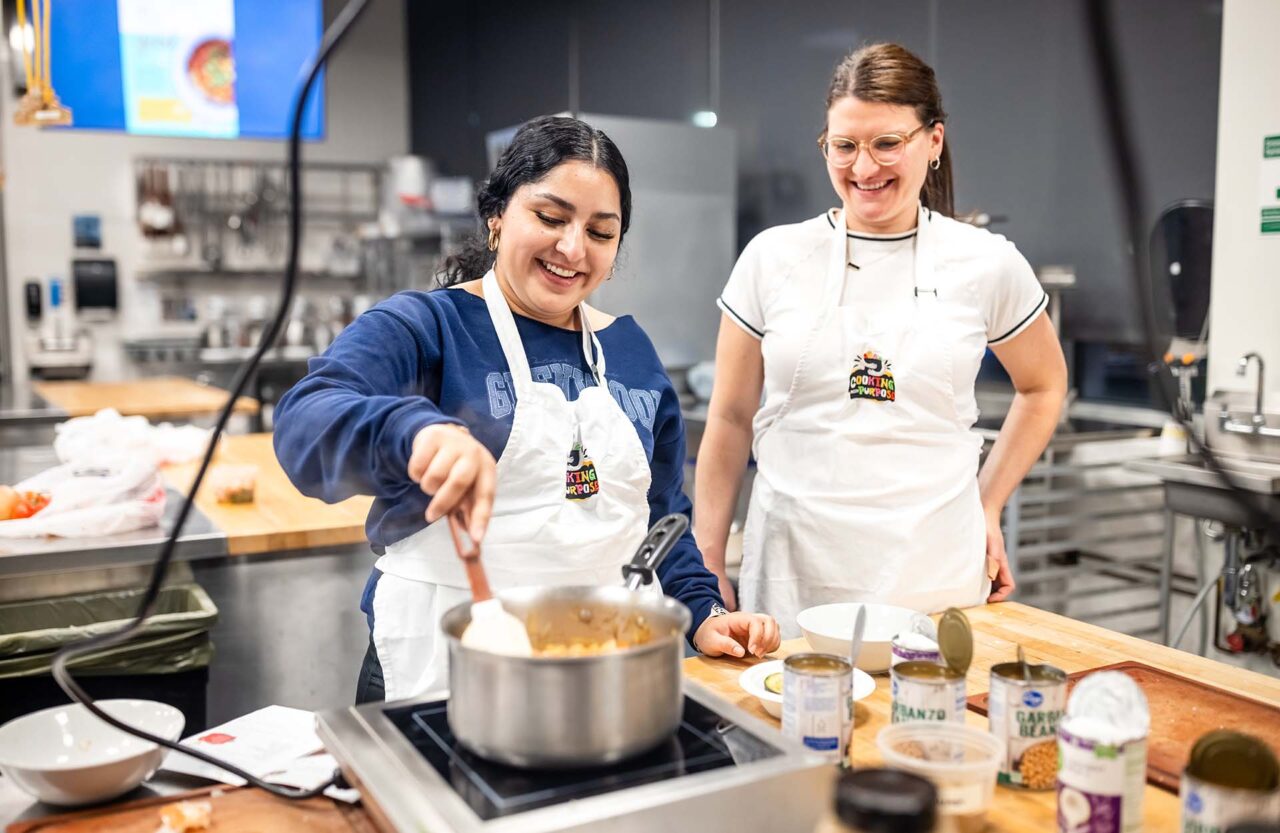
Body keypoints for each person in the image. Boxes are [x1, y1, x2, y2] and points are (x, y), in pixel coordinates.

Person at [274, 115, 781, 702]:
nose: (572, 248)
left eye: (600, 231)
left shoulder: (629, 350)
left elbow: (660, 518)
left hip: (607, 672)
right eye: (550, 217)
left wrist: (704, 610)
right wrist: (414, 433)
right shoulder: (427, 327)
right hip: (444, 673)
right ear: (497, 217)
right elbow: (304, 422)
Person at [694, 43, 1067, 637]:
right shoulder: (773, 257)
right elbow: (732, 417)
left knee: (922, 727)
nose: (864, 168)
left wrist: (987, 503)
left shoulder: (986, 263)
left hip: (933, 571)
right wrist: (706, 558)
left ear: (934, 141)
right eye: (844, 146)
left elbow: (1044, 385)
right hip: (794, 573)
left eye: (887, 143)